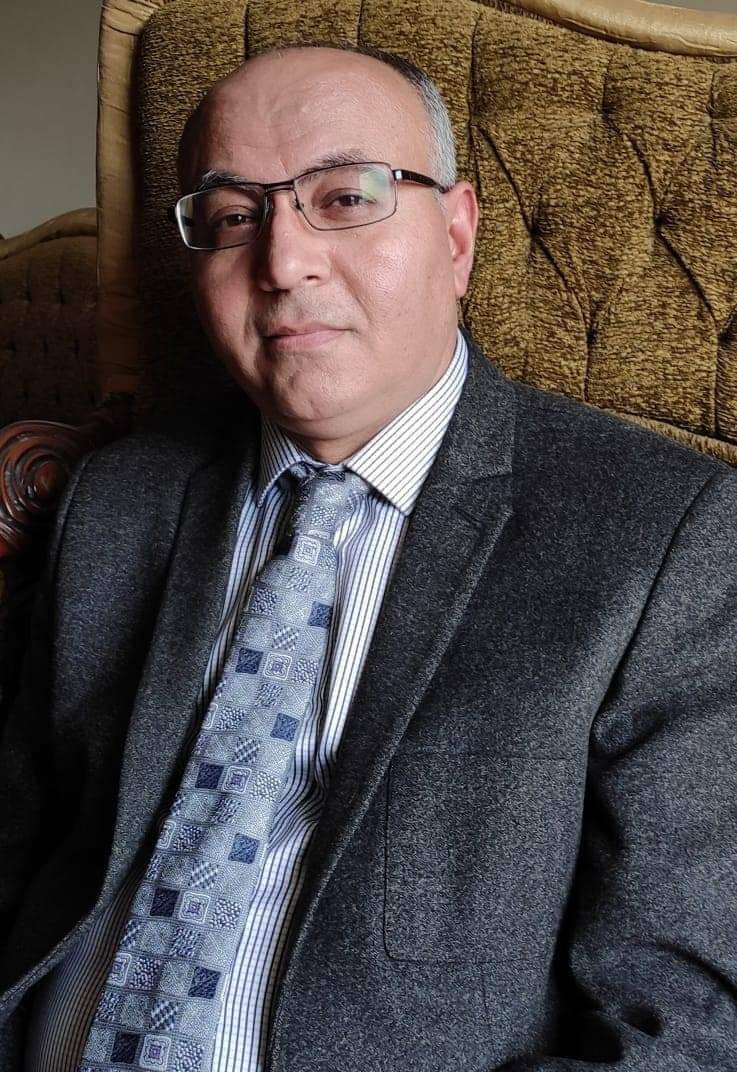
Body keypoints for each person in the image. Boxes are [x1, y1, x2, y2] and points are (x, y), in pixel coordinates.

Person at [1, 40, 736, 1072]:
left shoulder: (664, 534)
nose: (283, 262)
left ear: (456, 236)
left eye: (344, 198)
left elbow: (682, 1023)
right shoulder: (120, 499)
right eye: (233, 216)